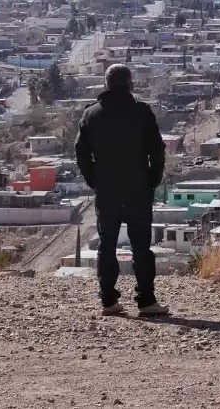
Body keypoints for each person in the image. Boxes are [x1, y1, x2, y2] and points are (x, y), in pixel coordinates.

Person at [75, 63, 168, 316]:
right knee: (141, 246)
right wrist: (152, 180)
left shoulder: (91, 115)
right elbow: (157, 151)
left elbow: (81, 153)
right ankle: (146, 301)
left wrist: (95, 180)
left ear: (106, 85)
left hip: (107, 191)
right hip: (137, 188)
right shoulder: (141, 112)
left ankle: (108, 301)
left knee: (107, 245)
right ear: (130, 85)